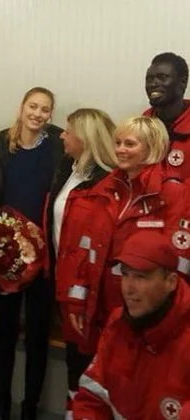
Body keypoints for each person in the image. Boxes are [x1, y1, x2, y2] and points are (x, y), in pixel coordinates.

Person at [67, 117, 190, 367]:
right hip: (99, 308)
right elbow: (86, 248)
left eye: (130, 144)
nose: (121, 150)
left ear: (152, 147)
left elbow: (178, 264)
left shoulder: (172, 194)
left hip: (145, 313)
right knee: (95, 380)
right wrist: (77, 299)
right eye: (118, 143)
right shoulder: (106, 188)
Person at [0, 87, 63, 420]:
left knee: (37, 335)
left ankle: (30, 406)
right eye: (33, 106)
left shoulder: (59, 146)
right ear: (22, 107)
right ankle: (2, 403)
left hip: (44, 254)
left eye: (45, 109)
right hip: (8, 252)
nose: (38, 114)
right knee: (4, 331)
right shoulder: (0, 144)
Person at [43, 108, 117, 418]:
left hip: (89, 295)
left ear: (85, 138)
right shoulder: (66, 169)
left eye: (68, 130)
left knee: (91, 366)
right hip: (63, 282)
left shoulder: (109, 182)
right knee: (74, 361)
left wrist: (82, 292)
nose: (61, 134)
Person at [73, 231, 190, 419]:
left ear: (170, 282)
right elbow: (92, 398)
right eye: (125, 275)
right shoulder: (117, 323)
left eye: (141, 277)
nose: (128, 288)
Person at [143, 52, 190, 183]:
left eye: (162, 77)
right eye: (149, 79)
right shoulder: (140, 128)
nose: (153, 84)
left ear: (183, 82)